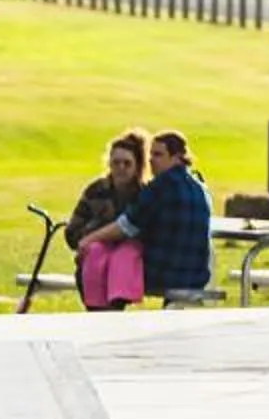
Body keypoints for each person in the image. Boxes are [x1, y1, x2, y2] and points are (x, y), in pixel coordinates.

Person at [76, 128, 214, 303]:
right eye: (150, 154)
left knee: (114, 261)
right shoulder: (200, 188)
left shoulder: (160, 187)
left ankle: (105, 314)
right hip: (197, 276)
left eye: (158, 154)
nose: (151, 160)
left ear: (176, 157)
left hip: (162, 274)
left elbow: (126, 226)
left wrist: (88, 239)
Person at [66, 131, 150, 310]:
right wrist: (95, 235)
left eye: (127, 163)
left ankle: (116, 304)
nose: (121, 168)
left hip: (128, 262)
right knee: (96, 253)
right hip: (93, 257)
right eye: (116, 163)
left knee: (125, 255)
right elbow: (72, 232)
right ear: (109, 163)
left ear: (137, 166)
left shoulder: (145, 195)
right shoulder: (95, 191)